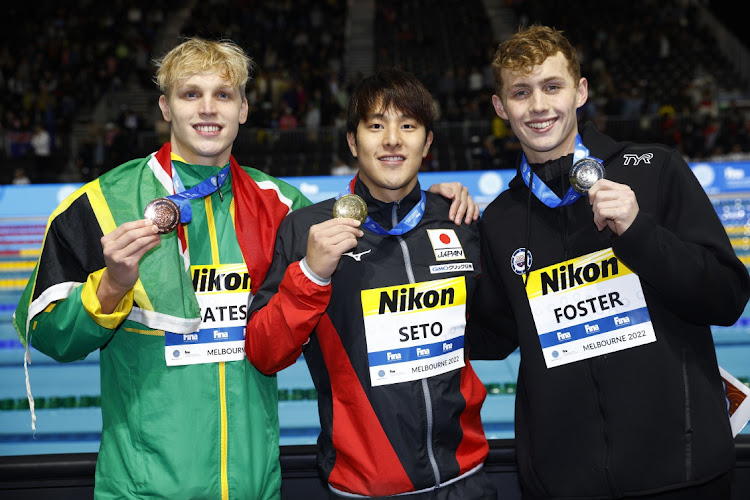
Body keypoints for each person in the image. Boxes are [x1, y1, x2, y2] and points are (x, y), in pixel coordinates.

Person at [12, 38, 478, 499]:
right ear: (165, 107)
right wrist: (112, 286)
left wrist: (436, 201)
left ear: (244, 109)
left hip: (256, 486)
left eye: (224, 94)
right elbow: (45, 333)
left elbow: (375, 225)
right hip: (143, 488)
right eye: (191, 94)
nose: (208, 109)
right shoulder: (102, 203)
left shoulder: (282, 207)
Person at [468, 25, 750, 499]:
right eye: (520, 92)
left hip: (683, 474)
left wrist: (641, 232)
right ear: (500, 107)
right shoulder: (500, 220)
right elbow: (489, 335)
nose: (538, 106)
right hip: (566, 485)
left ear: (580, 91)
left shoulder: (656, 170)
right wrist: (423, 238)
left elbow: (726, 297)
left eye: (552, 87)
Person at [246, 69, 497, 499]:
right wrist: (310, 275)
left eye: (408, 126)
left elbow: (495, 335)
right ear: (352, 140)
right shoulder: (307, 231)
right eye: (376, 125)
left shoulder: (458, 222)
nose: (393, 140)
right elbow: (265, 354)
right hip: (365, 488)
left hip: (467, 479)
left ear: (428, 141)